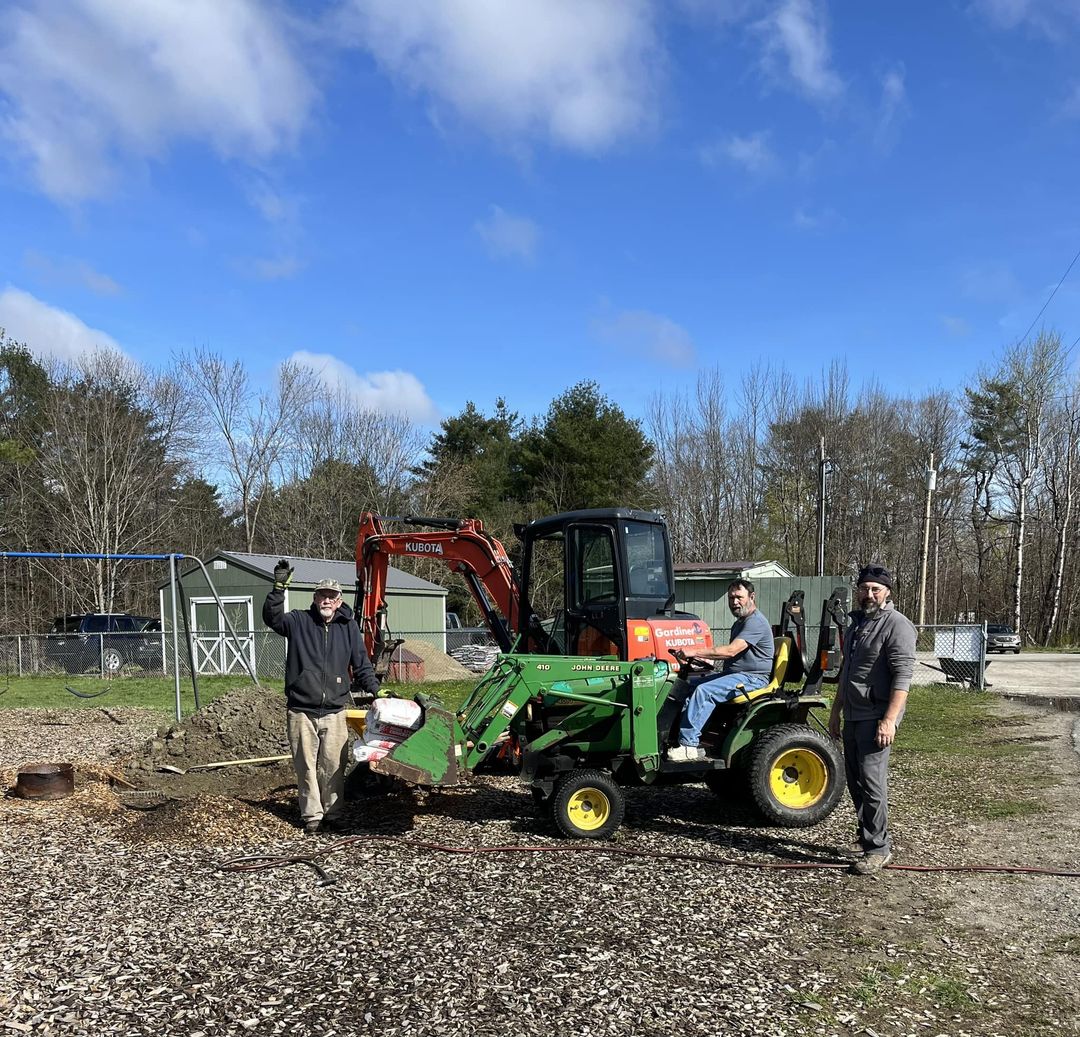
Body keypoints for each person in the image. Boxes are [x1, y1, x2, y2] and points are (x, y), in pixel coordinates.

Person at [263, 559, 380, 836]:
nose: (327, 600)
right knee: (305, 766)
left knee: (334, 765)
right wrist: (277, 589)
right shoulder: (298, 621)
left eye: (332, 596)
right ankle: (312, 817)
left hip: (335, 709)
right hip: (301, 709)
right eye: (322, 595)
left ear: (339, 601)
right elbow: (272, 618)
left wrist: (376, 690)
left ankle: (334, 814)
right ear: (315, 599)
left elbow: (361, 663)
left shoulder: (348, 627)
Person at [828, 563, 916, 876]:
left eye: (875, 589)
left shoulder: (897, 625)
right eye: (864, 588)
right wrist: (836, 711)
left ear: (887, 592)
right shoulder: (857, 624)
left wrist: (889, 720)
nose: (869, 594)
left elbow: (903, 677)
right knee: (855, 782)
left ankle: (879, 849)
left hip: (876, 716)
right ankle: (866, 838)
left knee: (872, 783)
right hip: (853, 715)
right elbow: (847, 673)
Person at [666, 579, 775, 762]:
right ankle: (673, 737)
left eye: (739, 597)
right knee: (686, 685)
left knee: (704, 691)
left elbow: (730, 651)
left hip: (753, 678)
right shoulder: (740, 623)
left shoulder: (755, 622)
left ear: (752, 597)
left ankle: (688, 746)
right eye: (731, 597)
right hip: (734, 675)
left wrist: (693, 651)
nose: (734, 602)